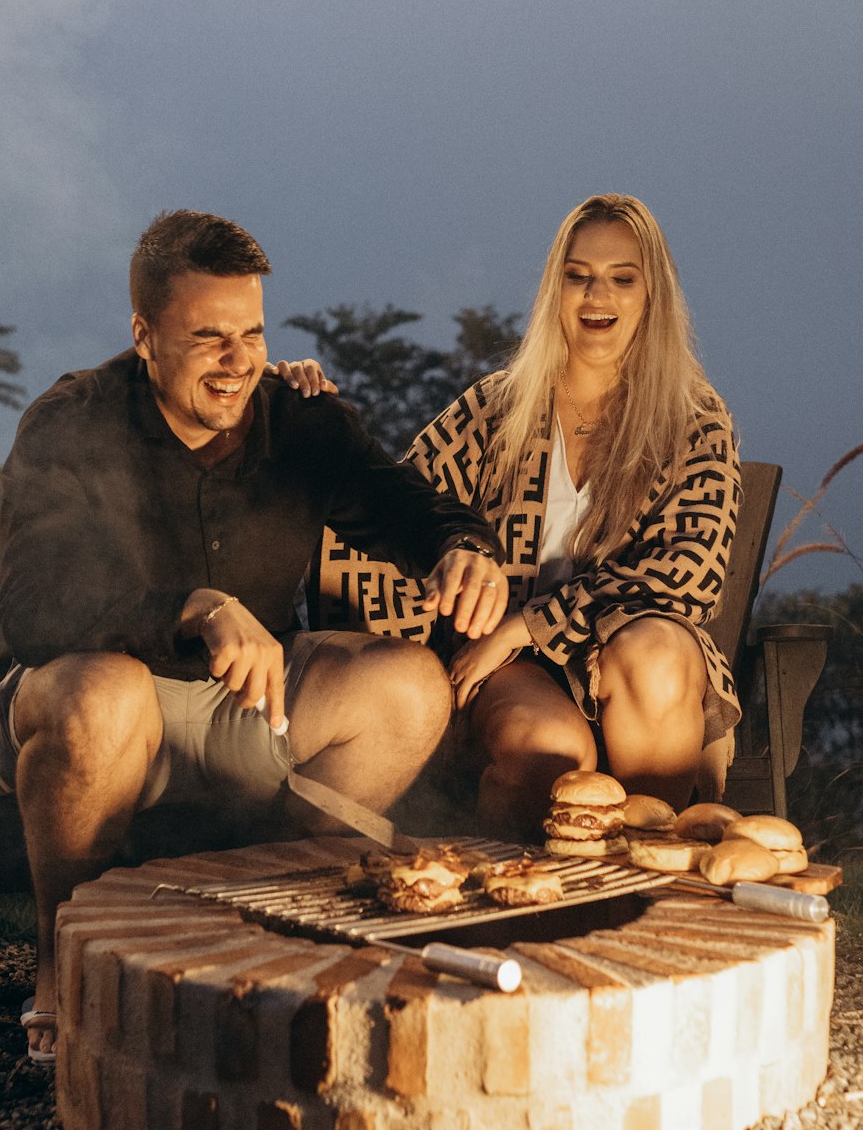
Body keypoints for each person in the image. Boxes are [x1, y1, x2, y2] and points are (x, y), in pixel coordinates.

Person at [0, 209, 507, 1063]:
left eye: (252, 334)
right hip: (104, 699)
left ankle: (283, 914)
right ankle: (63, 962)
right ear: (145, 334)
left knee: (412, 685)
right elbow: (33, 607)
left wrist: (463, 546)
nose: (237, 362)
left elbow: (409, 504)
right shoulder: (74, 420)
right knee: (100, 695)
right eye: (208, 338)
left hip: (250, 708)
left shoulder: (299, 420)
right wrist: (194, 605)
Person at [312, 193, 742, 838]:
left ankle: (642, 882)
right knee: (552, 753)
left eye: (623, 278)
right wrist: (418, 658)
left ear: (651, 295)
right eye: (579, 276)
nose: (599, 296)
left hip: (639, 656)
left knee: (654, 651)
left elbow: (689, 574)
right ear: (555, 289)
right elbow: (393, 516)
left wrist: (525, 625)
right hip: (511, 673)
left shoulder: (694, 417)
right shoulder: (496, 410)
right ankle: (510, 912)